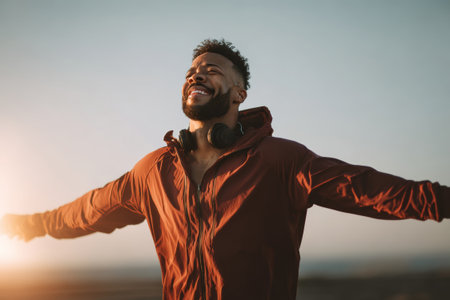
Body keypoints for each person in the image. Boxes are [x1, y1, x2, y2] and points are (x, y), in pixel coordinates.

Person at [1, 39, 449, 300]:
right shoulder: (152, 172)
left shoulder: (281, 161)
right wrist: (30, 225)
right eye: (192, 70)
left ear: (239, 94)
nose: (197, 74)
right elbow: (87, 211)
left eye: (212, 70)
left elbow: (372, 190)